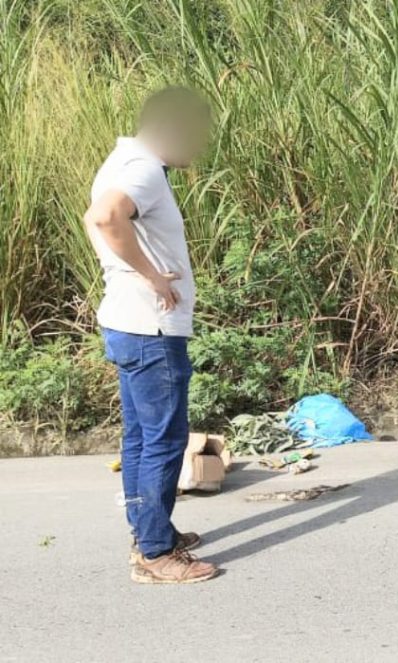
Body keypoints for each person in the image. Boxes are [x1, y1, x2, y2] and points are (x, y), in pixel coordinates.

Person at [83, 86, 218, 583]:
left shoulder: (121, 161)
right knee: (164, 438)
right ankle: (156, 554)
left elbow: (92, 218)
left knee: (142, 437)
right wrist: (151, 276)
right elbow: (104, 217)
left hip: (129, 322)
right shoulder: (142, 169)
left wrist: (124, 272)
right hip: (151, 327)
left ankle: (149, 532)